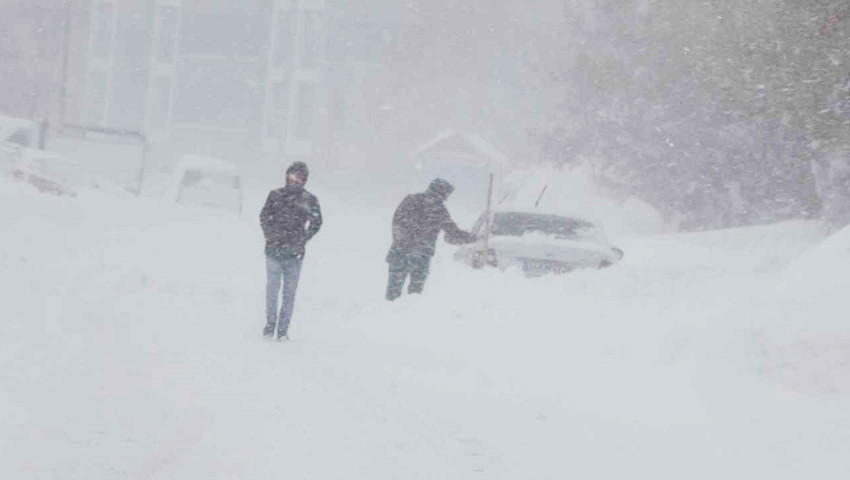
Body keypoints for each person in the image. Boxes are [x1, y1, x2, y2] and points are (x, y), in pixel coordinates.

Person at [260, 162, 322, 340]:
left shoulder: (310, 200)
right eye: (293, 176)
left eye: (300, 177)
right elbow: (264, 216)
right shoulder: (275, 195)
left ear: (305, 180)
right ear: (287, 176)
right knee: (272, 290)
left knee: (289, 294)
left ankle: (282, 330)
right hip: (274, 252)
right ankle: (270, 324)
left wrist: (304, 238)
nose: (296, 180)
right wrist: (270, 235)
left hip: (294, 255)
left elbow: (317, 222)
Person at [385, 178, 476, 301]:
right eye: (446, 194)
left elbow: (396, 223)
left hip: (399, 252)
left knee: (393, 292)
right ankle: (409, 315)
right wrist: (471, 238)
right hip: (421, 256)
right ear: (442, 193)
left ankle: (388, 316)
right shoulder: (439, 210)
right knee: (415, 294)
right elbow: (453, 235)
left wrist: (402, 242)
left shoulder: (410, 200)